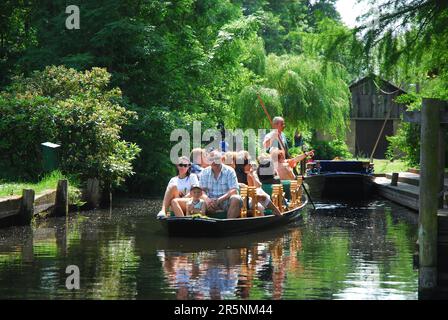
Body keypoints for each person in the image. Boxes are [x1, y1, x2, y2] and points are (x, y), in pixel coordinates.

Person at [235, 151, 281, 216]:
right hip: (243, 200)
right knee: (261, 200)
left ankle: (274, 211)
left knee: (260, 199)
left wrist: (252, 176)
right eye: (249, 164)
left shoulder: (247, 174)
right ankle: (276, 211)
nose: (251, 165)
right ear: (243, 166)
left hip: (248, 199)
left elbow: (257, 187)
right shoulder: (240, 175)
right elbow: (256, 188)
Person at [200, 150, 243, 218]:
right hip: (210, 203)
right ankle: (202, 226)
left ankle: (228, 226)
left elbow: (234, 190)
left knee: (236, 198)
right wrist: (208, 200)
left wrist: (218, 200)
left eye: (216, 159)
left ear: (221, 159)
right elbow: (201, 191)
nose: (214, 161)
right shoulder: (204, 172)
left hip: (226, 201)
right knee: (198, 201)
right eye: (211, 159)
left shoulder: (230, 171)